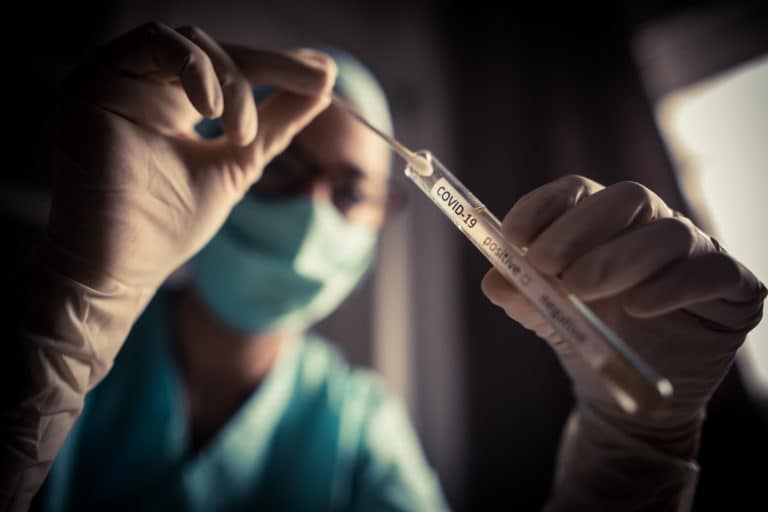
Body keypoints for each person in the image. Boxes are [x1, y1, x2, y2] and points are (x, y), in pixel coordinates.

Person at [1, 21, 765, 512]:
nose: (311, 213)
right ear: (207, 179)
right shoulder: (57, 351)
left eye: (352, 191)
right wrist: (78, 299)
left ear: (382, 222)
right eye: (280, 171)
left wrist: (633, 454)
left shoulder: (358, 430)